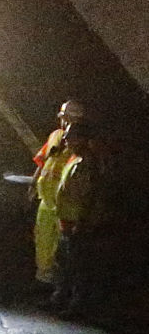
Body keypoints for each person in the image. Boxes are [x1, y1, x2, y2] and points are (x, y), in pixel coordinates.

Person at [54, 121, 113, 312]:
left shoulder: (89, 164)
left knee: (79, 267)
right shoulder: (76, 161)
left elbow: (90, 197)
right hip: (68, 222)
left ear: (82, 139)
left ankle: (77, 306)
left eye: (70, 137)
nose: (66, 140)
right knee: (65, 263)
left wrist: (82, 222)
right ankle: (61, 298)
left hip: (79, 224)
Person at [31, 100, 85, 286]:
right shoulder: (56, 136)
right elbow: (43, 161)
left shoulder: (79, 142)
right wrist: (32, 185)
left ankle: (56, 286)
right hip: (46, 199)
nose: (64, 121)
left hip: (64, 203)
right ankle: (43, 280)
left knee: (59, 246)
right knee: (43, 240)